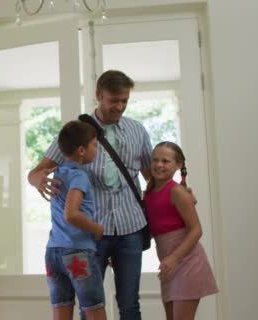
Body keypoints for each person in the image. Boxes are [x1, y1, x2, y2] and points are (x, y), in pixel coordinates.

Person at [29, 70, 152, 320]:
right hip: (92, 234)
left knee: (130, 304)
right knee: (91, 304)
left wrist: (178, 192)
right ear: (98, 95)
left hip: (131, 228)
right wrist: (37, 180)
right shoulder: (77, 133)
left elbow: (152, 178)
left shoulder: (138, 131)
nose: (119, 106)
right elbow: (37, 171)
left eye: (124, 101)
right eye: (113, 100)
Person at [143, 142, 218, 320]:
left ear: (178, 165)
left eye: (165, 161)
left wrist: (174, 258)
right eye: (155, 160)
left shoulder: (177, 192)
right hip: (169, 264)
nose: (159, 165)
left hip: (187, 262)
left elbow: (196, 230)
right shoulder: (148, 193)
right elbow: (153, 230)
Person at [45, 120, 106, 320]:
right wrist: (96, 229)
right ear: (81, 150)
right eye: (95, 145)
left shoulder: (58, 173)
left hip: (53, 252)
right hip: (77, 252)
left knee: (61, 312)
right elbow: (71, 213)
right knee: (94, 311)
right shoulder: (79, 176)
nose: (96, 149)